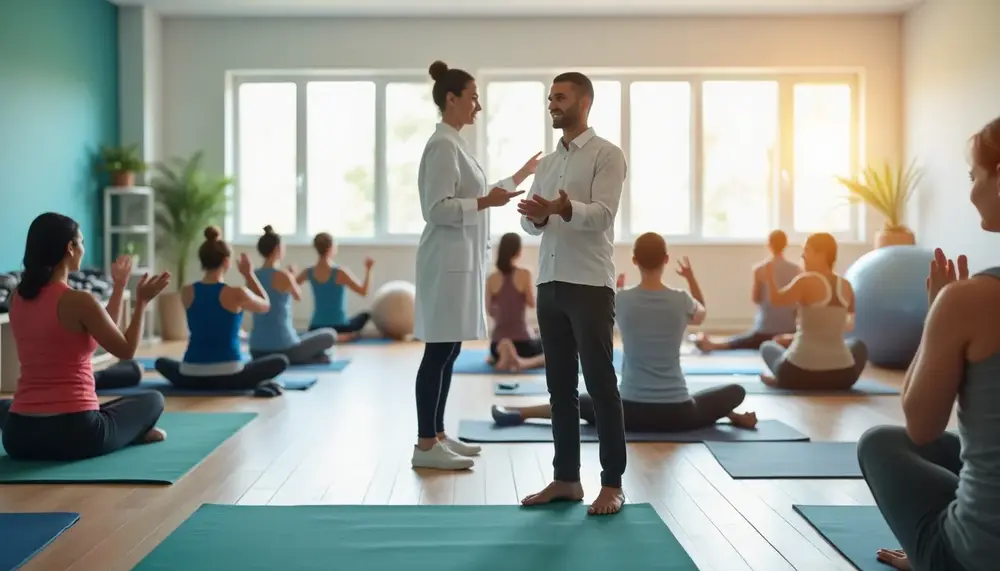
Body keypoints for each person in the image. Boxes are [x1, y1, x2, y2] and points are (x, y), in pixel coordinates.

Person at [858, 117, 1000, 571]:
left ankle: (926, 555)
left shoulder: (970, 300)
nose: (972, 191)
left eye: (974, 177)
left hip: (972, 558)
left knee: (880, 442)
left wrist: (936, 312)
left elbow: (921, 425)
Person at [491, 233, 757, 433]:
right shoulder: (682, 299)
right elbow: (702, 314)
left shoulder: (622, 299)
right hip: (678, 413)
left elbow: (599, 325)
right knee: (735, 390)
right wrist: (690, 278)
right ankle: (731, 414)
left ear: (634, 260)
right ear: (666, 259)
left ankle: (520, 412)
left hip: (626, 412)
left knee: (582, 400)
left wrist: (616, 290)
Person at [411, 60, 539, 471]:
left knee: (449, 351)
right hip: (444, 261)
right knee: (438, 352)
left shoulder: (456, 144)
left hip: (460, 261)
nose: (478, 106)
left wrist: (522, 173)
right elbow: (437, 209)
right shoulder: (442, 145)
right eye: (473, 98)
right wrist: (486, 202)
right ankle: (425, 444)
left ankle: (439, 436)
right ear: (452, 99)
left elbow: (483, 192)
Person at [516, 71, 629, 516]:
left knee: (601, 385)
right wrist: (542, 214)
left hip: (589, 284)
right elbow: (529, 221)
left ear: (584, 102)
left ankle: (612, 484)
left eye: (560, 97)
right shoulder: (548, 164)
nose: (552, 104)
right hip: (550, 281)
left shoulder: (607, 155)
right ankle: (566, 479)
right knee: (559, 389)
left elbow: (602, 216)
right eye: (550, 98)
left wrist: (565, 207)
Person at [0, 212, 170, 461]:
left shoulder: (16, 298)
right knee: (153, 400)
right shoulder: (78, 301)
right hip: (76, 434)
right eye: (80, 242)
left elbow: (103, 327)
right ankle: (132, 432)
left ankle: (126, 430)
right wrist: (142, 301)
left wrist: (120, 286)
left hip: (19, 436)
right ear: (70, 248)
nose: (83, 248)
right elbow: (126, 350)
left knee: (7, 405)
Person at [153, 226, 289, 395]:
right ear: (227, 261)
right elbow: (266, 305)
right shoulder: (237, 293)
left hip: (191, 375)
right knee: (280, 361)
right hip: (231, 375)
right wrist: (249, 275)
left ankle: (200, 383)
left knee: (161, 362)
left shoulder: (186, 291)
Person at [756, 232, 868, 391]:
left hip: (799, 373)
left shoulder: (806, 280)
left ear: (821, 254)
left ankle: (780, 379)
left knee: (767, 347)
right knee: (857, 345)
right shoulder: (846, 286)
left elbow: (776, 300)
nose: (802, 255)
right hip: (843, 376)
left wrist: (769, 275)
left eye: (806, 250)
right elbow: (848, 325)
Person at [692, 230, 800, 352]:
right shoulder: (796, 269)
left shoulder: (760, 269)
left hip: (765, 331)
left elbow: (756, 299)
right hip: (790, 331)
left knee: (745, 341)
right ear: (786, 245)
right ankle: (713, 343)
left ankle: (713, 344)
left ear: (768, 245)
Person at [248, 226, 336, 364]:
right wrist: (290, 275)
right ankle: (310, 358)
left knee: (301, 335)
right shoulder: (283, 275)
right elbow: (298, 296)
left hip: (256, 350)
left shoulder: (252, 276)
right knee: (329, 334)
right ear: (277, 249)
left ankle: (311, 357)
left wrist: (288, 276)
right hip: (285, 348)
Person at [300, 232, 375, 342]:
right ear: (331, 248)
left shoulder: (309, 272)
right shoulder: (339, 272)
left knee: (316, 334)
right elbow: (364, 292)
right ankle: (340, 336)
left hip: (315, 327)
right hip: (340, 327)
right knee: (366, 315)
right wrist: (369, 270)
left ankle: (327, 337)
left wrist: (289, 274)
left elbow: (288, 286)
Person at [485, 233, 544, 372]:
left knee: (501, 341)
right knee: (553, 349)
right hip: (524, 343)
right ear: (518, 251)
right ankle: (522, 363)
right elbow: (531, 304)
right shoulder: (525, 274)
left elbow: (490, 311)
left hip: (496, 342)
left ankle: (501, 353)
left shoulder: (491, 278)